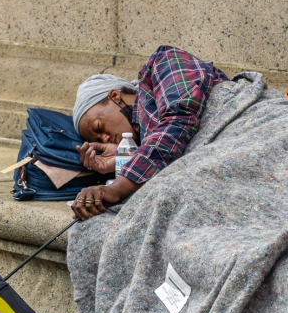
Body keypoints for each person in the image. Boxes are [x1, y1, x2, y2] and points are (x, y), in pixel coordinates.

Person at [70, 45, 228, 220]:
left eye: (99, 127)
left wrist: (117, 187)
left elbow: (178, 121)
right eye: (98, 139)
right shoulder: (142, 137)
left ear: (114, 96)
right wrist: (128, 157)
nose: (105, 138)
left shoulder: (163, 61)